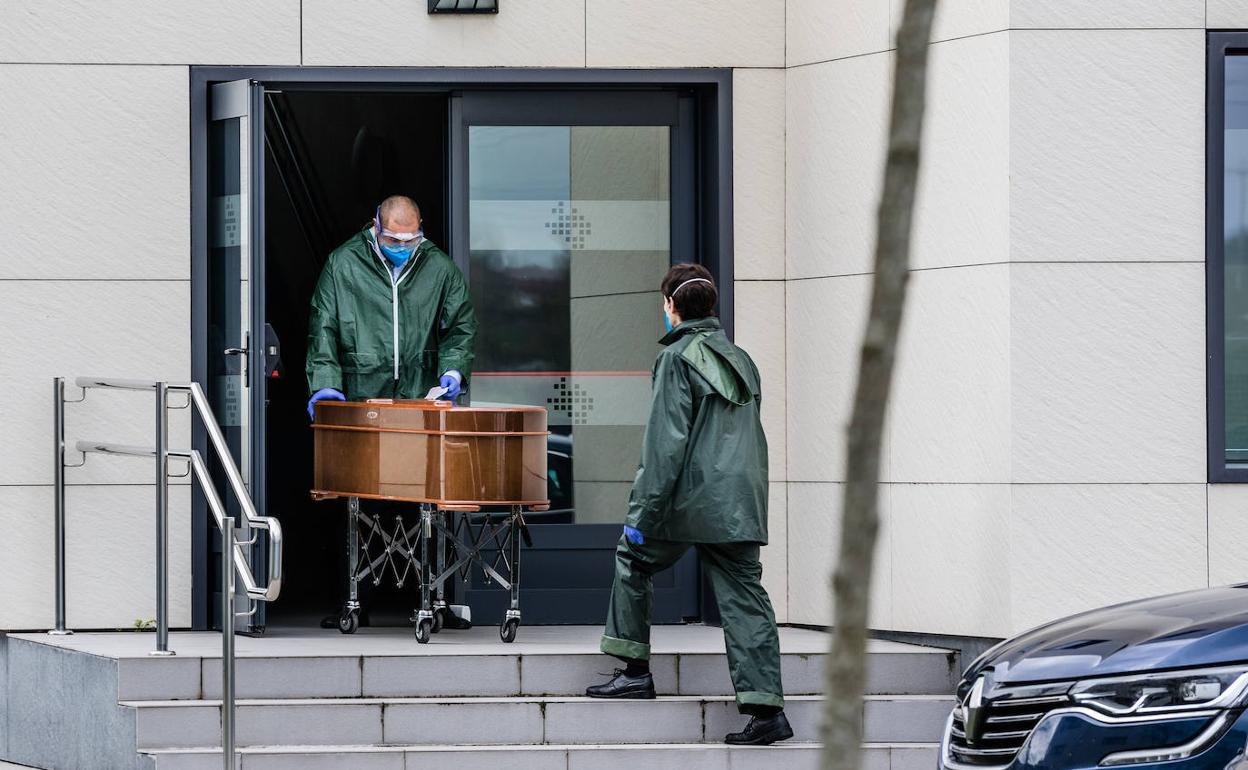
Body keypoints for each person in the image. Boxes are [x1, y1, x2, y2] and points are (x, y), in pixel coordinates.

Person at [585, 264, 791, 746]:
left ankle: (635, 671)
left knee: (632, 558)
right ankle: (767, 713)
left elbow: (665, 447)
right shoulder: (741, 358)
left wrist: (640, 516)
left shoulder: (677, 358)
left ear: (671, 307)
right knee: (746, 598)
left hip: (691, 499)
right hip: (740, 501)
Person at [306, 194, 478, 629]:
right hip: (364, 398)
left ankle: (434, 599)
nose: (404, 246)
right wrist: (326, 384)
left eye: (412, 238)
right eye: (395, 239)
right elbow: (322, 325)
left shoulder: (438, 267)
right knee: (357, 501)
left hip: (421, 399)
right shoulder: (344, 264)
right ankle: (352, 599)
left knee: (428, 503)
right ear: (375, 228)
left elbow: (460, 326)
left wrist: (453, 372)